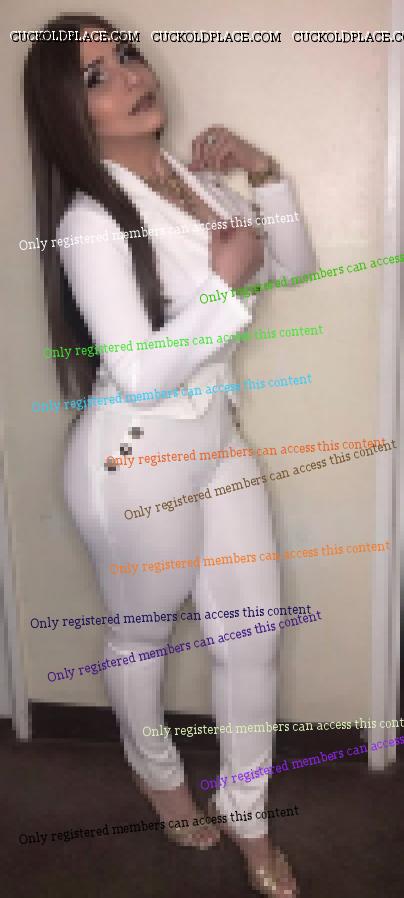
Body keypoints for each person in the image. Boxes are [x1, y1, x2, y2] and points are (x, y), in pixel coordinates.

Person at [23, 13, 315, 895]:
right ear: (69, 113)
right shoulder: (89, 221)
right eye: (97, 76)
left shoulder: (197, 183)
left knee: (253, 639)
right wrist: (224, 285)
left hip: (216, 440)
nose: (129, 77)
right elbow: (140, 375)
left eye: (126, 56)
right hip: (135, 457)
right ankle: (159, 781)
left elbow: (293, 265)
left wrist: (264, 175)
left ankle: (250, 821)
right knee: (142, 635)